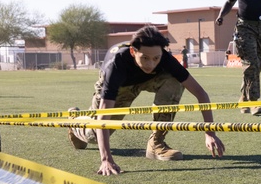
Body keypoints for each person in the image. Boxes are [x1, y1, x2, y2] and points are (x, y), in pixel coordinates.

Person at [67, 25, 225, 176]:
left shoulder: (165, 59)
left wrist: (210, 133)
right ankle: (75, 122)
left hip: (147, 80)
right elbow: (103, 117)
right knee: (95, 136)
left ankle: (156, 143)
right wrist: (106, 159)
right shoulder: (117, 64)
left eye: (156, 58)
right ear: (133, 51)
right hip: (121, 86)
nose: (151, 63)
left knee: (175, 81)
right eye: (145, 58)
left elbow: (201, 94)